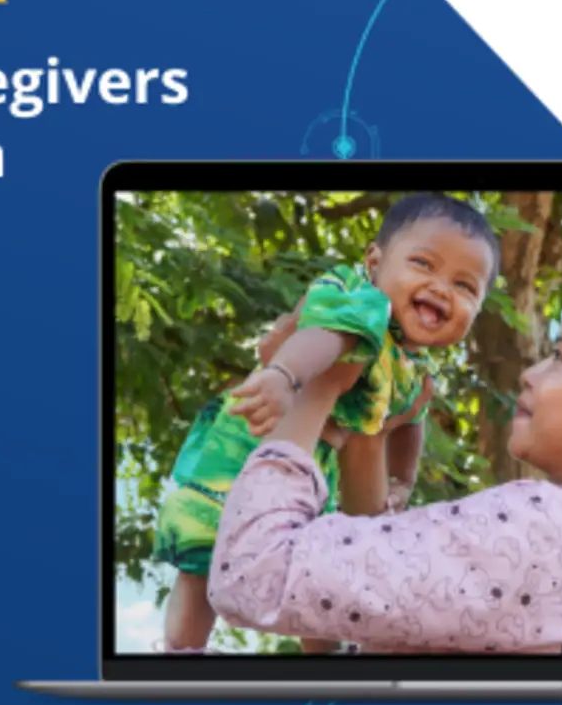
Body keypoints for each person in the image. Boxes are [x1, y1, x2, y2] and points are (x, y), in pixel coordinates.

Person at [208, 280, 562, 654]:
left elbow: (254, 576)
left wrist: (317, 388)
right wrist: (367, 436)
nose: (530, 373)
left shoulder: (542, 528)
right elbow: (375, 580)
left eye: (561, 357)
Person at [150, 193, 501, 652]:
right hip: (253, 447)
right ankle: (182, 652)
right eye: (423, 264)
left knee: (324, 584)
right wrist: (283, 374)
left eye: (465, 286)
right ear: (374, 261)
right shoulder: (361, 300)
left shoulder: (415, 370)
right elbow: (327, 337)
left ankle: (326, 668)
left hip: (319, 480)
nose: (441, 288)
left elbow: (410, 423)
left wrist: (403, 480)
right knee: (204, 559)